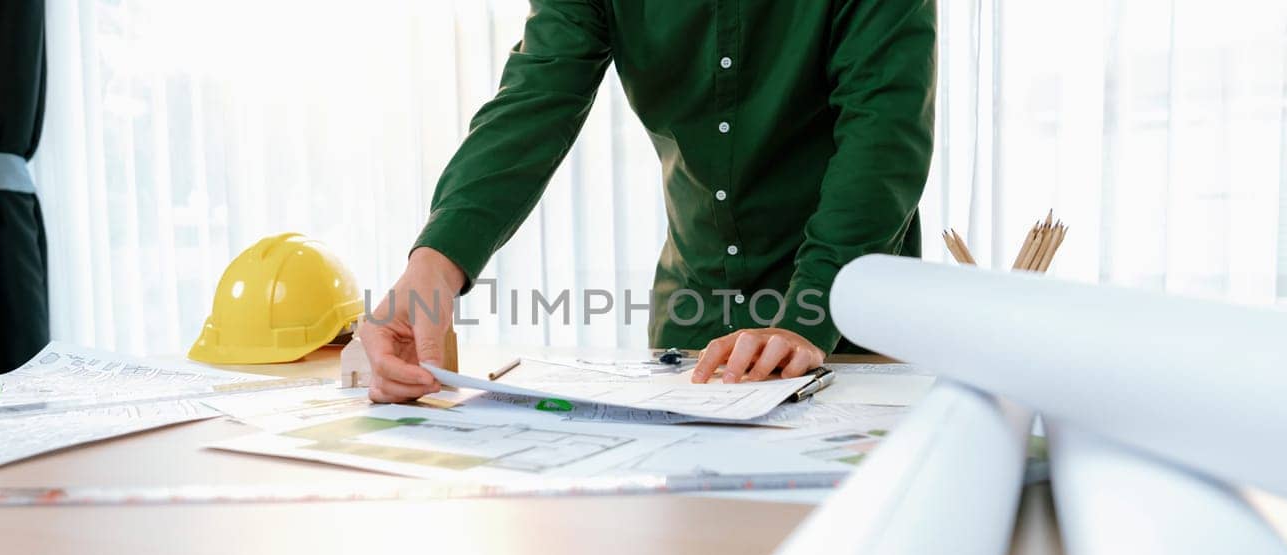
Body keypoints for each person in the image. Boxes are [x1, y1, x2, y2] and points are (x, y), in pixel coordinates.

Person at [360, 0, 935, 403]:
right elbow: (536, 97)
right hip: (695, 331)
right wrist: (433, 263)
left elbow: (883, 134)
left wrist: (807, 313)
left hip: (857, 329)